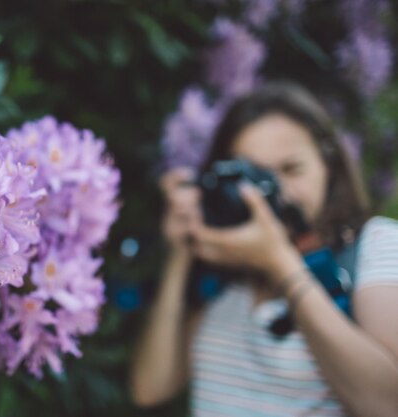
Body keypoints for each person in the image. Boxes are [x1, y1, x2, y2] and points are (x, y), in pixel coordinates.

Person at [130, 82, 398, 416]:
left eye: (291, 169)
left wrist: (281, 264)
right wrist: (182, 249)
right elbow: (150, 388)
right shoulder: (226, 271)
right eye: (253, 175)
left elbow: (389, 404)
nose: (275, 191)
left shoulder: (375, 244)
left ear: (327, 164)